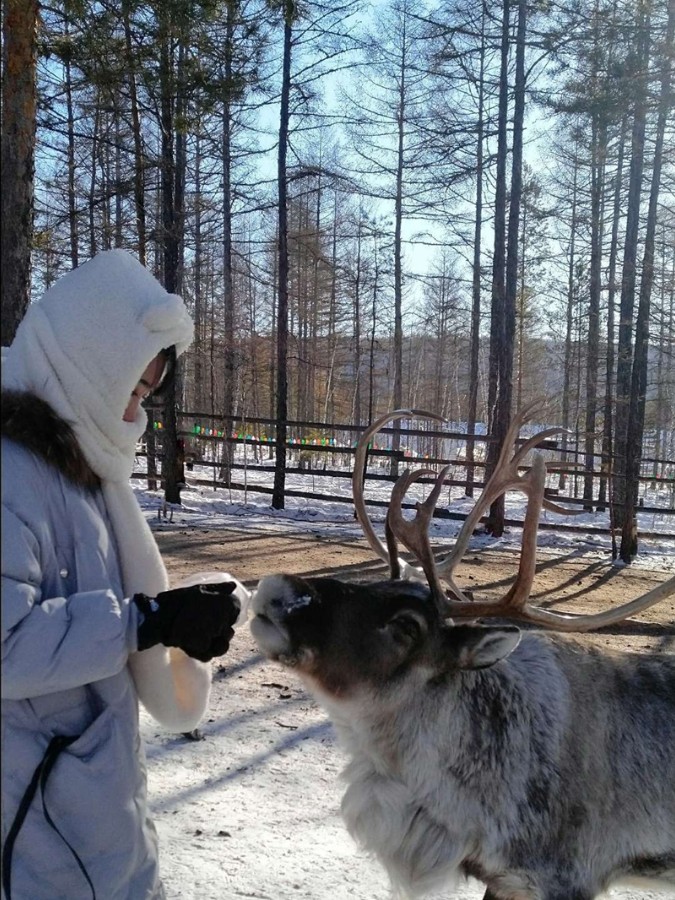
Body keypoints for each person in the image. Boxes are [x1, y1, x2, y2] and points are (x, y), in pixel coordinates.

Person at [1, 250, 246, 899]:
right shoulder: (11, 473)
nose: (134, 412)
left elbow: (112, 616)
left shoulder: (80, 474)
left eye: (144, 395)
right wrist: (146, 621)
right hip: (35, 841)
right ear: (86, 358)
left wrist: (176, 625)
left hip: (95, 822)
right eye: (127, 389)